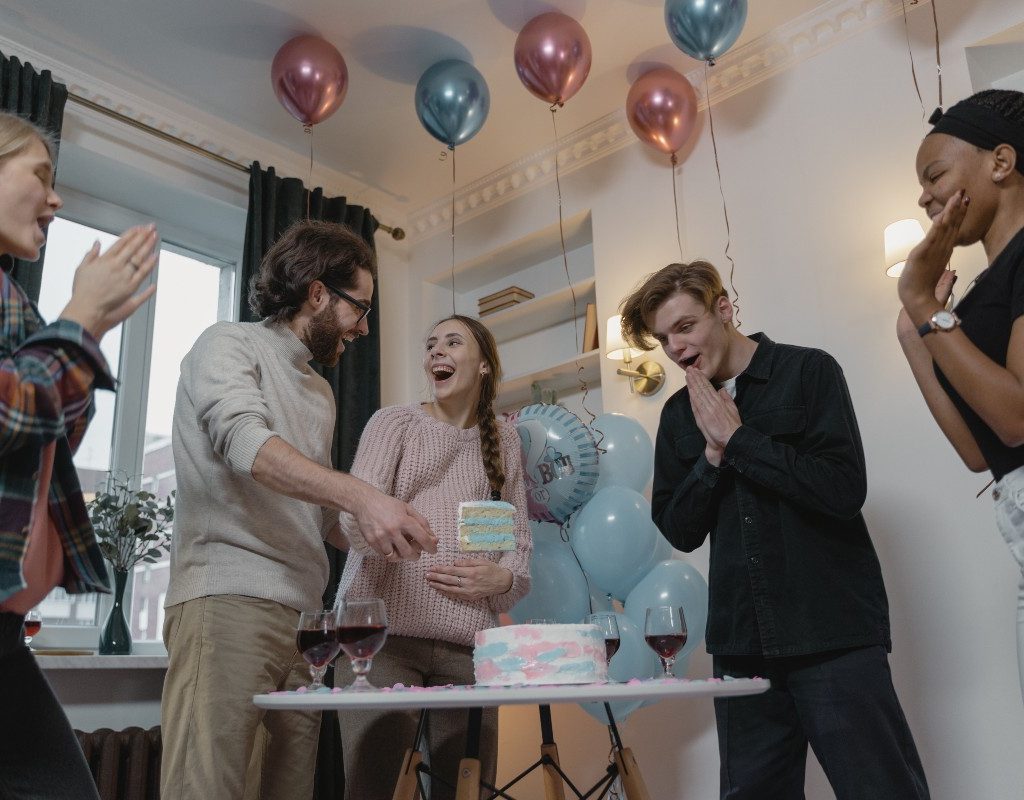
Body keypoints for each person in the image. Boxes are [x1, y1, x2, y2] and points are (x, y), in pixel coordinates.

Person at [619, 261, 929, 800]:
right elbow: (679, 528)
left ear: (723, 309)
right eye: (664, 338)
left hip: (832, 632)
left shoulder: (810, 372)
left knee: (882, 789)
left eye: (685, 327)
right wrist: (713, 455)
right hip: (742, 650)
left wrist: (740, 441)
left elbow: (842, 490)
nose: (675, 348)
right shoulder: (676, 417)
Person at [159, 219, 437, 800]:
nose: (363, 328)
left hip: (309, 627)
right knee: (208, 789)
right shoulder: (227, 344)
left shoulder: (320, 391)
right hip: (227, 601)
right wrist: (363, 495)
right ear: (317, 293)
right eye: (358, 308)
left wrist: (386, 532)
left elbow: (319, 512)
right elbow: (247, 447)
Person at [0, 112, 158, 799]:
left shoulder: (12, 304)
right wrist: (81, 322)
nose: (56, 199)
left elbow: (48, 447)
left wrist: (81, 331)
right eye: (41, 175)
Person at [334, 314, 532, 800]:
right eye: (430, 345)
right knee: (373, 792)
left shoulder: (502, 439)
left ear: (484, 365)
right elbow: (351, 520)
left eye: (452, 342)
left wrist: (501, 580)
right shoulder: (395, 424)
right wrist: (383, 530)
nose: (436, 353)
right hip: (379, 644)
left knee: (468, 793)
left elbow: (514, 546)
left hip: (469, 650)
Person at [897, 89, 1024, 700]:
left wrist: (925, 306)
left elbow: (1017, 419)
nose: (924, 197)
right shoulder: (967, 304)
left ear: (1001, 162)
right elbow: (979, 451)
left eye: (935, 175)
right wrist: (912, 327)